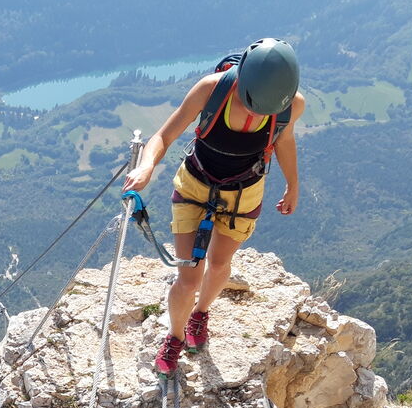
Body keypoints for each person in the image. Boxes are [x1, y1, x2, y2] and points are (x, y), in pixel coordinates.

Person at [122, 38, 305, 376]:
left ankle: (201, 314)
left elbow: (285, 141)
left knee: (220, 264)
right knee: (188, 278)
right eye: (252, 105)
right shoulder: (212, 90)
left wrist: (293, 185)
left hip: (244, 192)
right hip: (195, 184)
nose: (256, 114)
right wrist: (147, 166)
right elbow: (164, 135)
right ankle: (175, 336)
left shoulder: (289, 105)